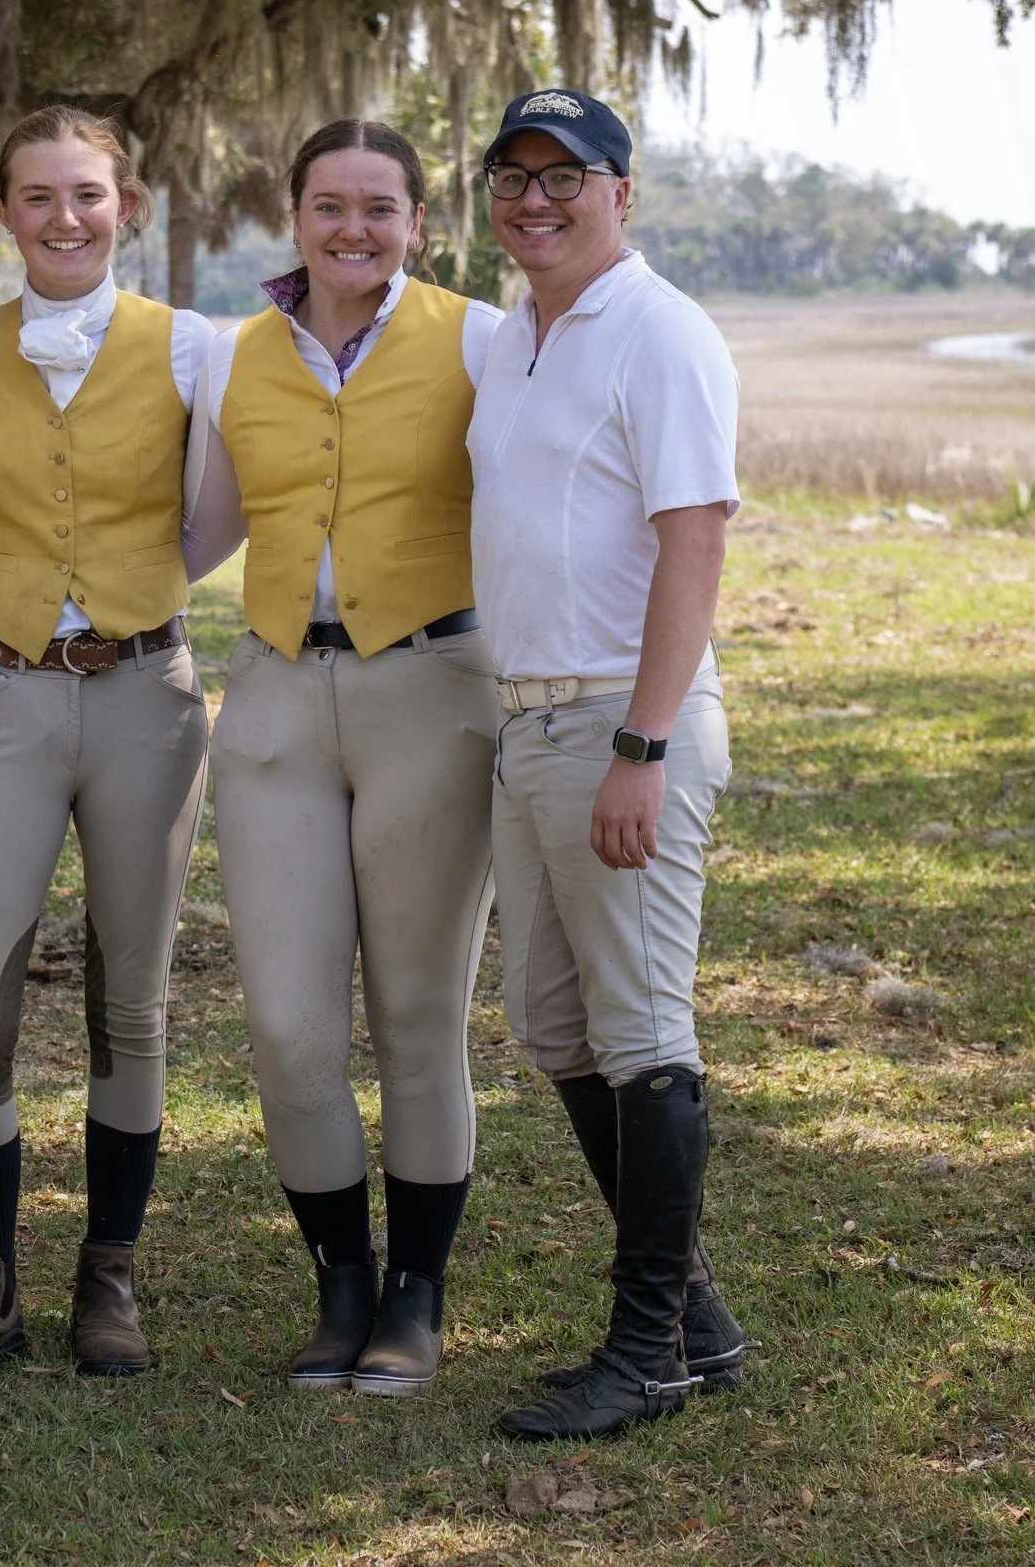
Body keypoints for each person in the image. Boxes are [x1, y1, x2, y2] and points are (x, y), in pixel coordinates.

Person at [0, 107, 215, 1388]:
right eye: (38, 196)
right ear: (2, 213)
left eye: (87, 193)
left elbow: (217, 514)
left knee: (130, 999)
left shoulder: (190, 344)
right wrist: (8, 605)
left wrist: (134, 595)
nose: (65, 216)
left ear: (127, 204)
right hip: (5, 698)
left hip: (149, 697)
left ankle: (108, 1277)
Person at [183, 119, 503, 1398]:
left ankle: (416, 1295)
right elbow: (196, 530)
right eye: (330, 205)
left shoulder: (480, 339)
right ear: (295, 215)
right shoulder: (231, 355)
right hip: (272, 699)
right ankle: (341, 1285)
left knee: (418, 1015)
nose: (353, 229)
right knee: (288, 1023)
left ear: (418, 223)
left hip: (433, 688)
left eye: (380, 208)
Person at [466, 88, 747, 1442]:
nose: (536, 199)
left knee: (642, 1034)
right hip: (525, 721)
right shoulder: (512, 336)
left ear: (619, 192)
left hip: (618, 723)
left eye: (564, 176)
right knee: (554, 1025)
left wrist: (643, 743)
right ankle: (696, 1317)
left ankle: (648, 1352)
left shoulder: (660, 330)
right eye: (513, 175)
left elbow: (695, 536)